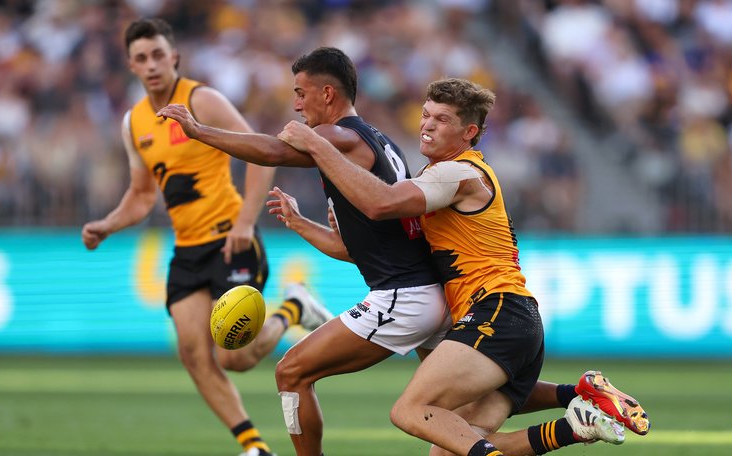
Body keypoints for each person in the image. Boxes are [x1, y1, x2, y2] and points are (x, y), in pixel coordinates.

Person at [158, 49, 649, 456]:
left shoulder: (429, 166)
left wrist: (202, 132)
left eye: (301, 93)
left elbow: (326, 176)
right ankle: (576, 410)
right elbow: (377, 245)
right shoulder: (398, 155)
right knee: (451, 439)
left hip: (474, 308)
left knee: (302, 375)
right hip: (470, 310)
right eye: (427, 116)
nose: (428, 127)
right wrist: (304, 223)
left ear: (327, 94)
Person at [80, 18, 332, 456]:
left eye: (158, 54)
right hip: (187, 250)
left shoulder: (201, 100)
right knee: (193, 354)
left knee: (234, 356)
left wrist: (245, 222)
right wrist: (108, 224)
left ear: (173, 57)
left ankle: (295, 307)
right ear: (132, 66)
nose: (152, 64)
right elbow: (141, 197)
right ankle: (254, 446)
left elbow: (260, 153)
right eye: (142, 58)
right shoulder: (133, 122)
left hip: (230, 240)